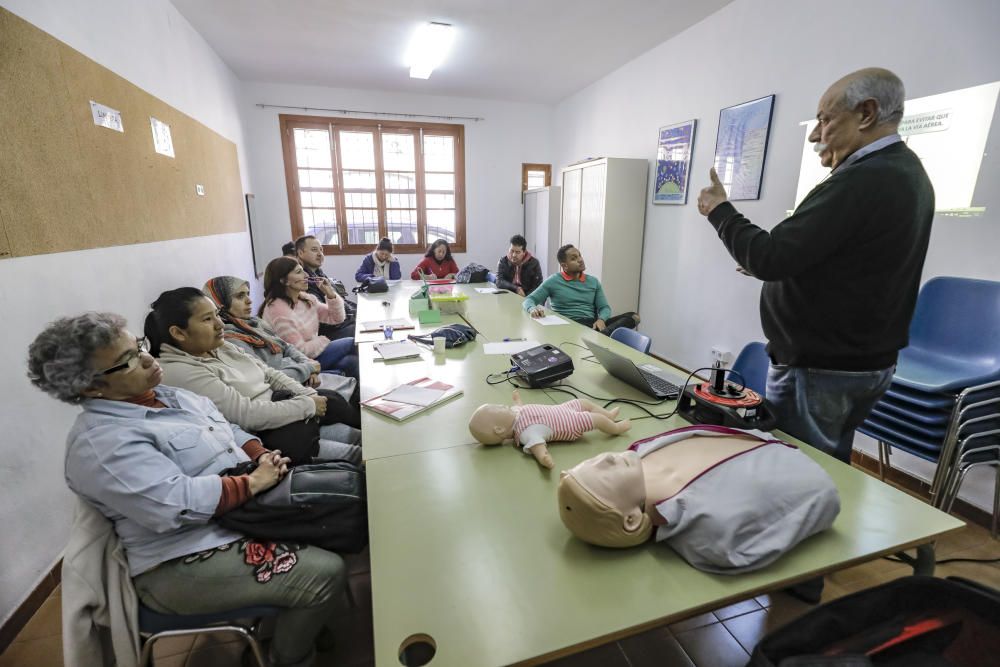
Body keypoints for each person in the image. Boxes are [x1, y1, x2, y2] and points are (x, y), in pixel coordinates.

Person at [27, 312, 345, 667]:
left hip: (236, 515)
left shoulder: (165, 395)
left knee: (337, 516)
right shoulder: (100, 444)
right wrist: (253, 481)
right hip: (181, 557)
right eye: (127, 361)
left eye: (138, 347)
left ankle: (297, 622)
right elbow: (174, 506)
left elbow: (228, 430)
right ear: (90, 387)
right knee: (326, 573)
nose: (147, 359)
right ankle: (286, 657)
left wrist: (260, 454)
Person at [695, 67, 934, 465]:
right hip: (859, 361)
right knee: (826, 462)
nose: (814, 133)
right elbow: (857, 262)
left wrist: (720, 211)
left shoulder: (864, 178)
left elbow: (770, 257)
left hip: (822, 367)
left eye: (825, 119)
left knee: (798, 469)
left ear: (867, 113)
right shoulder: (907, 172)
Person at [557, 427, 840, 574]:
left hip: (776, 445)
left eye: (592, 462)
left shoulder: (641, 451)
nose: (605, 458)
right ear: (630, 520)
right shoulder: (714, 529)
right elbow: (821, 494)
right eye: (603, 474)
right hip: (805, 469)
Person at [146, 287, 361, 463]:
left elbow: (269, 373)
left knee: (348, 420)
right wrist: (308, 405)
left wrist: (306, 394)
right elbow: (245, 415)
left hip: (289, 410)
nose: (220, 324)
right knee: (357, 453)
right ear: (178, 332)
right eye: (207, 319)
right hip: (272, 434)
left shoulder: (221, 346)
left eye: (217, 316)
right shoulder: (179, 371)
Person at [203, 277, 359, 421]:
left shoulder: (253, 323)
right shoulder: (231, 339)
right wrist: (308, 367)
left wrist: (308, 365)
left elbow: (286, 346)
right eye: (240, 296)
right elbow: (265, 378)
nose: (249, 301)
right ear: (220, 303)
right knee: (347, 373)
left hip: (300, 371)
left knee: (351, 366)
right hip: (286, 389)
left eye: (248, 294)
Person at [468, 390, 630, 468]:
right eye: (499, 407)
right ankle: (615, 428)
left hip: (562, 409)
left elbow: (520, 408)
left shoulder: (515, 413)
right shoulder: (525, 433)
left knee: (584, 402)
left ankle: (609, 415)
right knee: (596, 420)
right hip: (569, 423)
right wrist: (544, 458)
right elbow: (538, 446)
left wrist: (517, 400)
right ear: (499, 429)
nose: (503, 406)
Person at [260, 257, 360, 379]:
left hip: (315, 355)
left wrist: (330, 294)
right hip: (299, 363)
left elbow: (336, 318)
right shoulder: (278, 311)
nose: (306, 275)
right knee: (352, 345)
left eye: (303, 270)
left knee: (352, 361)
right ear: (284, 281)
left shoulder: (305, 299)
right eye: (299, 272)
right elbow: (299, 351)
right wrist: (323, 340)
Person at [523, 244, 640, 335]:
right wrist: (532, 309)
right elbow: (529, 300)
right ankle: (600, 337)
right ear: (564, 266)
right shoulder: (554, 281)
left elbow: (605, 308)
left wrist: (602, 320)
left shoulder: (593, 282)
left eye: (580, 255)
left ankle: (601, 335)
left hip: (592, 324)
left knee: (633, 317)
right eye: (574, 258)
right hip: (568, 325)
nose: (580, 260)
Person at [295, 235, 356, 340]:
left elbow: (339, 299)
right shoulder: (304, 282)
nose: (320, 254)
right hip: (327, 334)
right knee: (361, 330)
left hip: (341, 323)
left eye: (321, 250)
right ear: (300, 253)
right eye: (314, 250)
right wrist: (352, 317)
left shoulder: (318, 273)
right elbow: (324, 322)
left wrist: (354, 312)